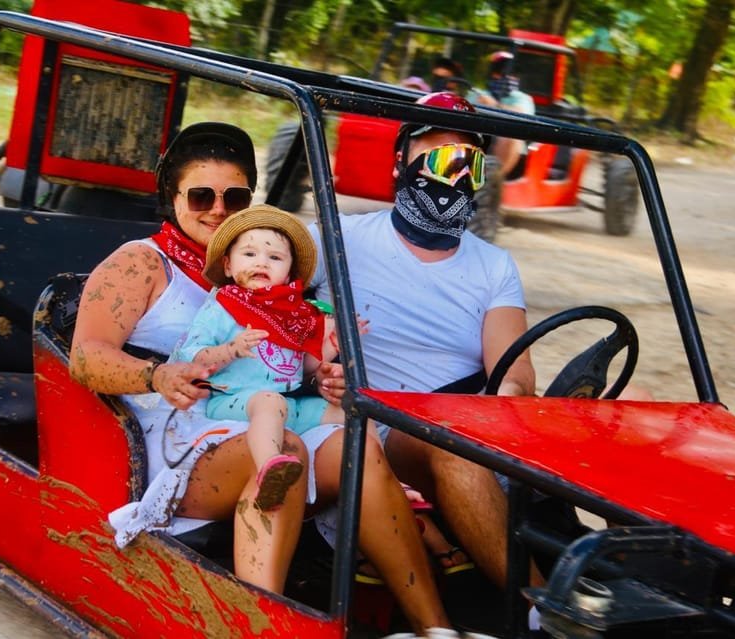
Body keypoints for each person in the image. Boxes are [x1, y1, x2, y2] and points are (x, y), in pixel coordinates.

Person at [69, 123, 452, 634]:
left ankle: (436, 626)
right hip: (172, 435)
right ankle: (262, 625)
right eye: (201, 195)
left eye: (236, 196)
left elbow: (294, 356)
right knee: (285, 447)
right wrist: (157, 374)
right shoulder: (143, 262)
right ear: (172, 196)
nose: (218, 209)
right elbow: (84, 356)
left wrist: (323, 379)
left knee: (354, 447)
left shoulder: (264, 269)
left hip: (261, 413)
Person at [308, 91, 544, 594]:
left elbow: (515, 370)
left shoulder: (493, 265)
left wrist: (502, 407)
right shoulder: (337, 238)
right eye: (435, 155)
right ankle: (541, 608)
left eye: (466, 162)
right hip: (378, 424)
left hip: (470, 420)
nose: (450, 173)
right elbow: (257, 275)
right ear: (401, 162)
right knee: (455, 447)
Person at [172, 204, 343, 512]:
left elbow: (297, 368)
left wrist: (329, 346)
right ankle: (270, 472)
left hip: (284, 403)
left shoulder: (292, 315)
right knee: (268, 401)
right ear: (227, 265)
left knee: (348, 413)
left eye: (275, 257)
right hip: (232, 403)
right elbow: (192, 359)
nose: (262, 262)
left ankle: (389, 479)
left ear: (288, 273)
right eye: (249, 255)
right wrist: (230, 350)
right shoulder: (223, 307)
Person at [467, 51, 535, 179]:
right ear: (494, 74)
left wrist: (495, 105)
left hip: (509, 149)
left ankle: (493, 181)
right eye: (503, 73)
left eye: (513, 75)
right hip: (478, 139)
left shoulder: (523, 99)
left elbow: (521, 114)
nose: (509, 78)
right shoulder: (477, 94)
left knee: (511, 136)